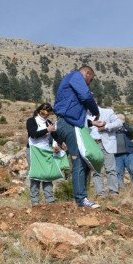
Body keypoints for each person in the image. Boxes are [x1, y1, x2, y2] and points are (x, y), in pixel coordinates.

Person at [53, 65, 104, 209]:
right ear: (87, 73)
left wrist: (91, 121)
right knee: (80, 161)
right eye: (91, 79)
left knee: (86, 160)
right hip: (69, 125)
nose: (89, 83)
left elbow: (74, 109)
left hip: (71, 124)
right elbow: (86, 95)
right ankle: (81, 200)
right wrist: (95, 111)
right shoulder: (76, 76)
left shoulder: (70, 81)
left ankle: (83, 197)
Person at [25, 103, 67, 205]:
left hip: (45, 151)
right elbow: (33, 134)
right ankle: (35, 201)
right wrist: (47, 130)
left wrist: (61, 144)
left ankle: (50, 200)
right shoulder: (31, 121)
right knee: (36, 175)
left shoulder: (48, 122)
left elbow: (55, 135)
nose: (47, 115)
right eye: (45, 112)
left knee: (48, 175)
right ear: (40, 111)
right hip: (34, 151)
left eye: (49, 113)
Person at [90, 106, 122, 198]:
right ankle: (100, 194)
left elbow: (119, 123)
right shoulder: (86, 115)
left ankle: (114, 192)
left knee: (110, 169)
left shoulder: (108, 112)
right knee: (96, 170)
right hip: (92, 144)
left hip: (106, 143)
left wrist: (106, 127)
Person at [114, 114, 133, 188]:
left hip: (129, 153)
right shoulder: (113, 128)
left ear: (122, 120)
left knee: (132, 170)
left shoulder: (127, 127)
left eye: (117, 119)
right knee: (118, 172)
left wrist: (123, 126)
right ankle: (121, 189)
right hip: (117, 154)